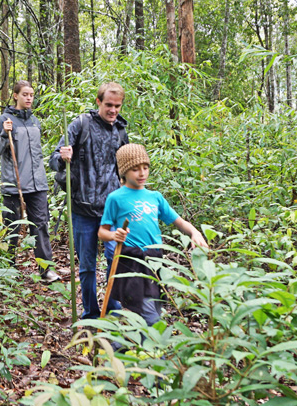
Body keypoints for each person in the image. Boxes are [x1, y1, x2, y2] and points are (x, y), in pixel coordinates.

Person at [98, 143, 207, 326]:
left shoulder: (155, 197)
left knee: (154, 309)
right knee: (150, 315)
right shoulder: (116, 198)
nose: (142, 173)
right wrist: (114, 236)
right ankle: (158, 352)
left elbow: (179, 222)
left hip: (156, 260)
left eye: (145, 168)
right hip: (131, 259)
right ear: (124, 172)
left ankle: (119, 347)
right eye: (135, 169)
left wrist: (194, 232)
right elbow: (102, 232)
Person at [49, 82, 129, 319]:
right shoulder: (81, 124)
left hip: (111, 211)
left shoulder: (121, 131)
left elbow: (125, 169)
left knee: (115, 258)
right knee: (87, 266)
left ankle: (112, 311)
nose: (113, 110)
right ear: (98, 102)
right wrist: (63, 156)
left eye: (117, 106)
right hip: (82, 207)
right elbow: (54, 160)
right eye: (108, 105)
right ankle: (91, 314)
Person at [0, 81, 59, 283]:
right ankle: (6, 270)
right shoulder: (4, 119)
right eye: (25, 94)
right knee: (12, 227)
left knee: (41, 226)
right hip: (14, 185)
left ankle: (46, 270)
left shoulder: (35, 121)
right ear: (15, 96)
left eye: (31, 95)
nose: (29, 98)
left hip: (37, 184)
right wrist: (4, 132)